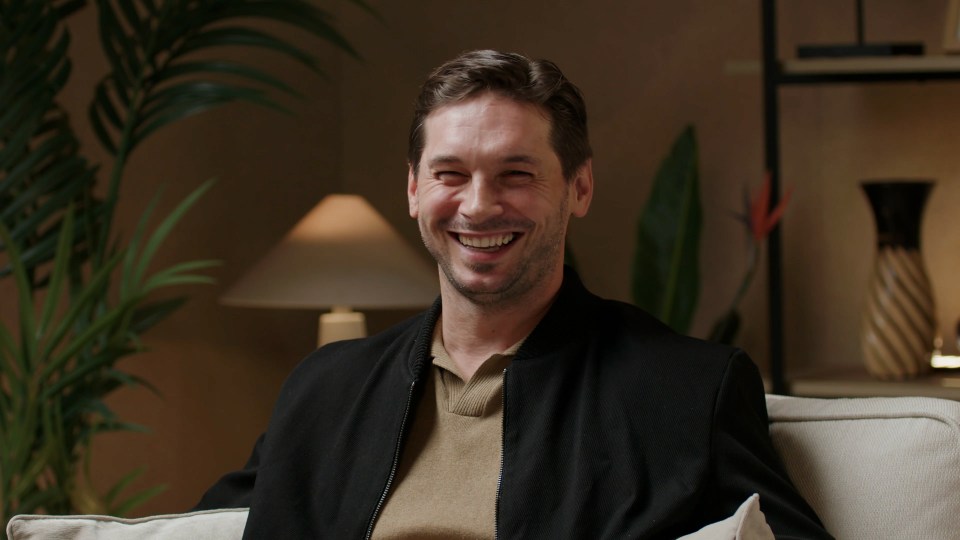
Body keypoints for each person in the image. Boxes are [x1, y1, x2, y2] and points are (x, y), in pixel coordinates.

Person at [196, 49, 831, 539]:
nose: (478, 205)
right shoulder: (323, 389)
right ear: (414, 189)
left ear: (579, 188)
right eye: (450, 174)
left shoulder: (687, 390)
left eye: (516, 174)